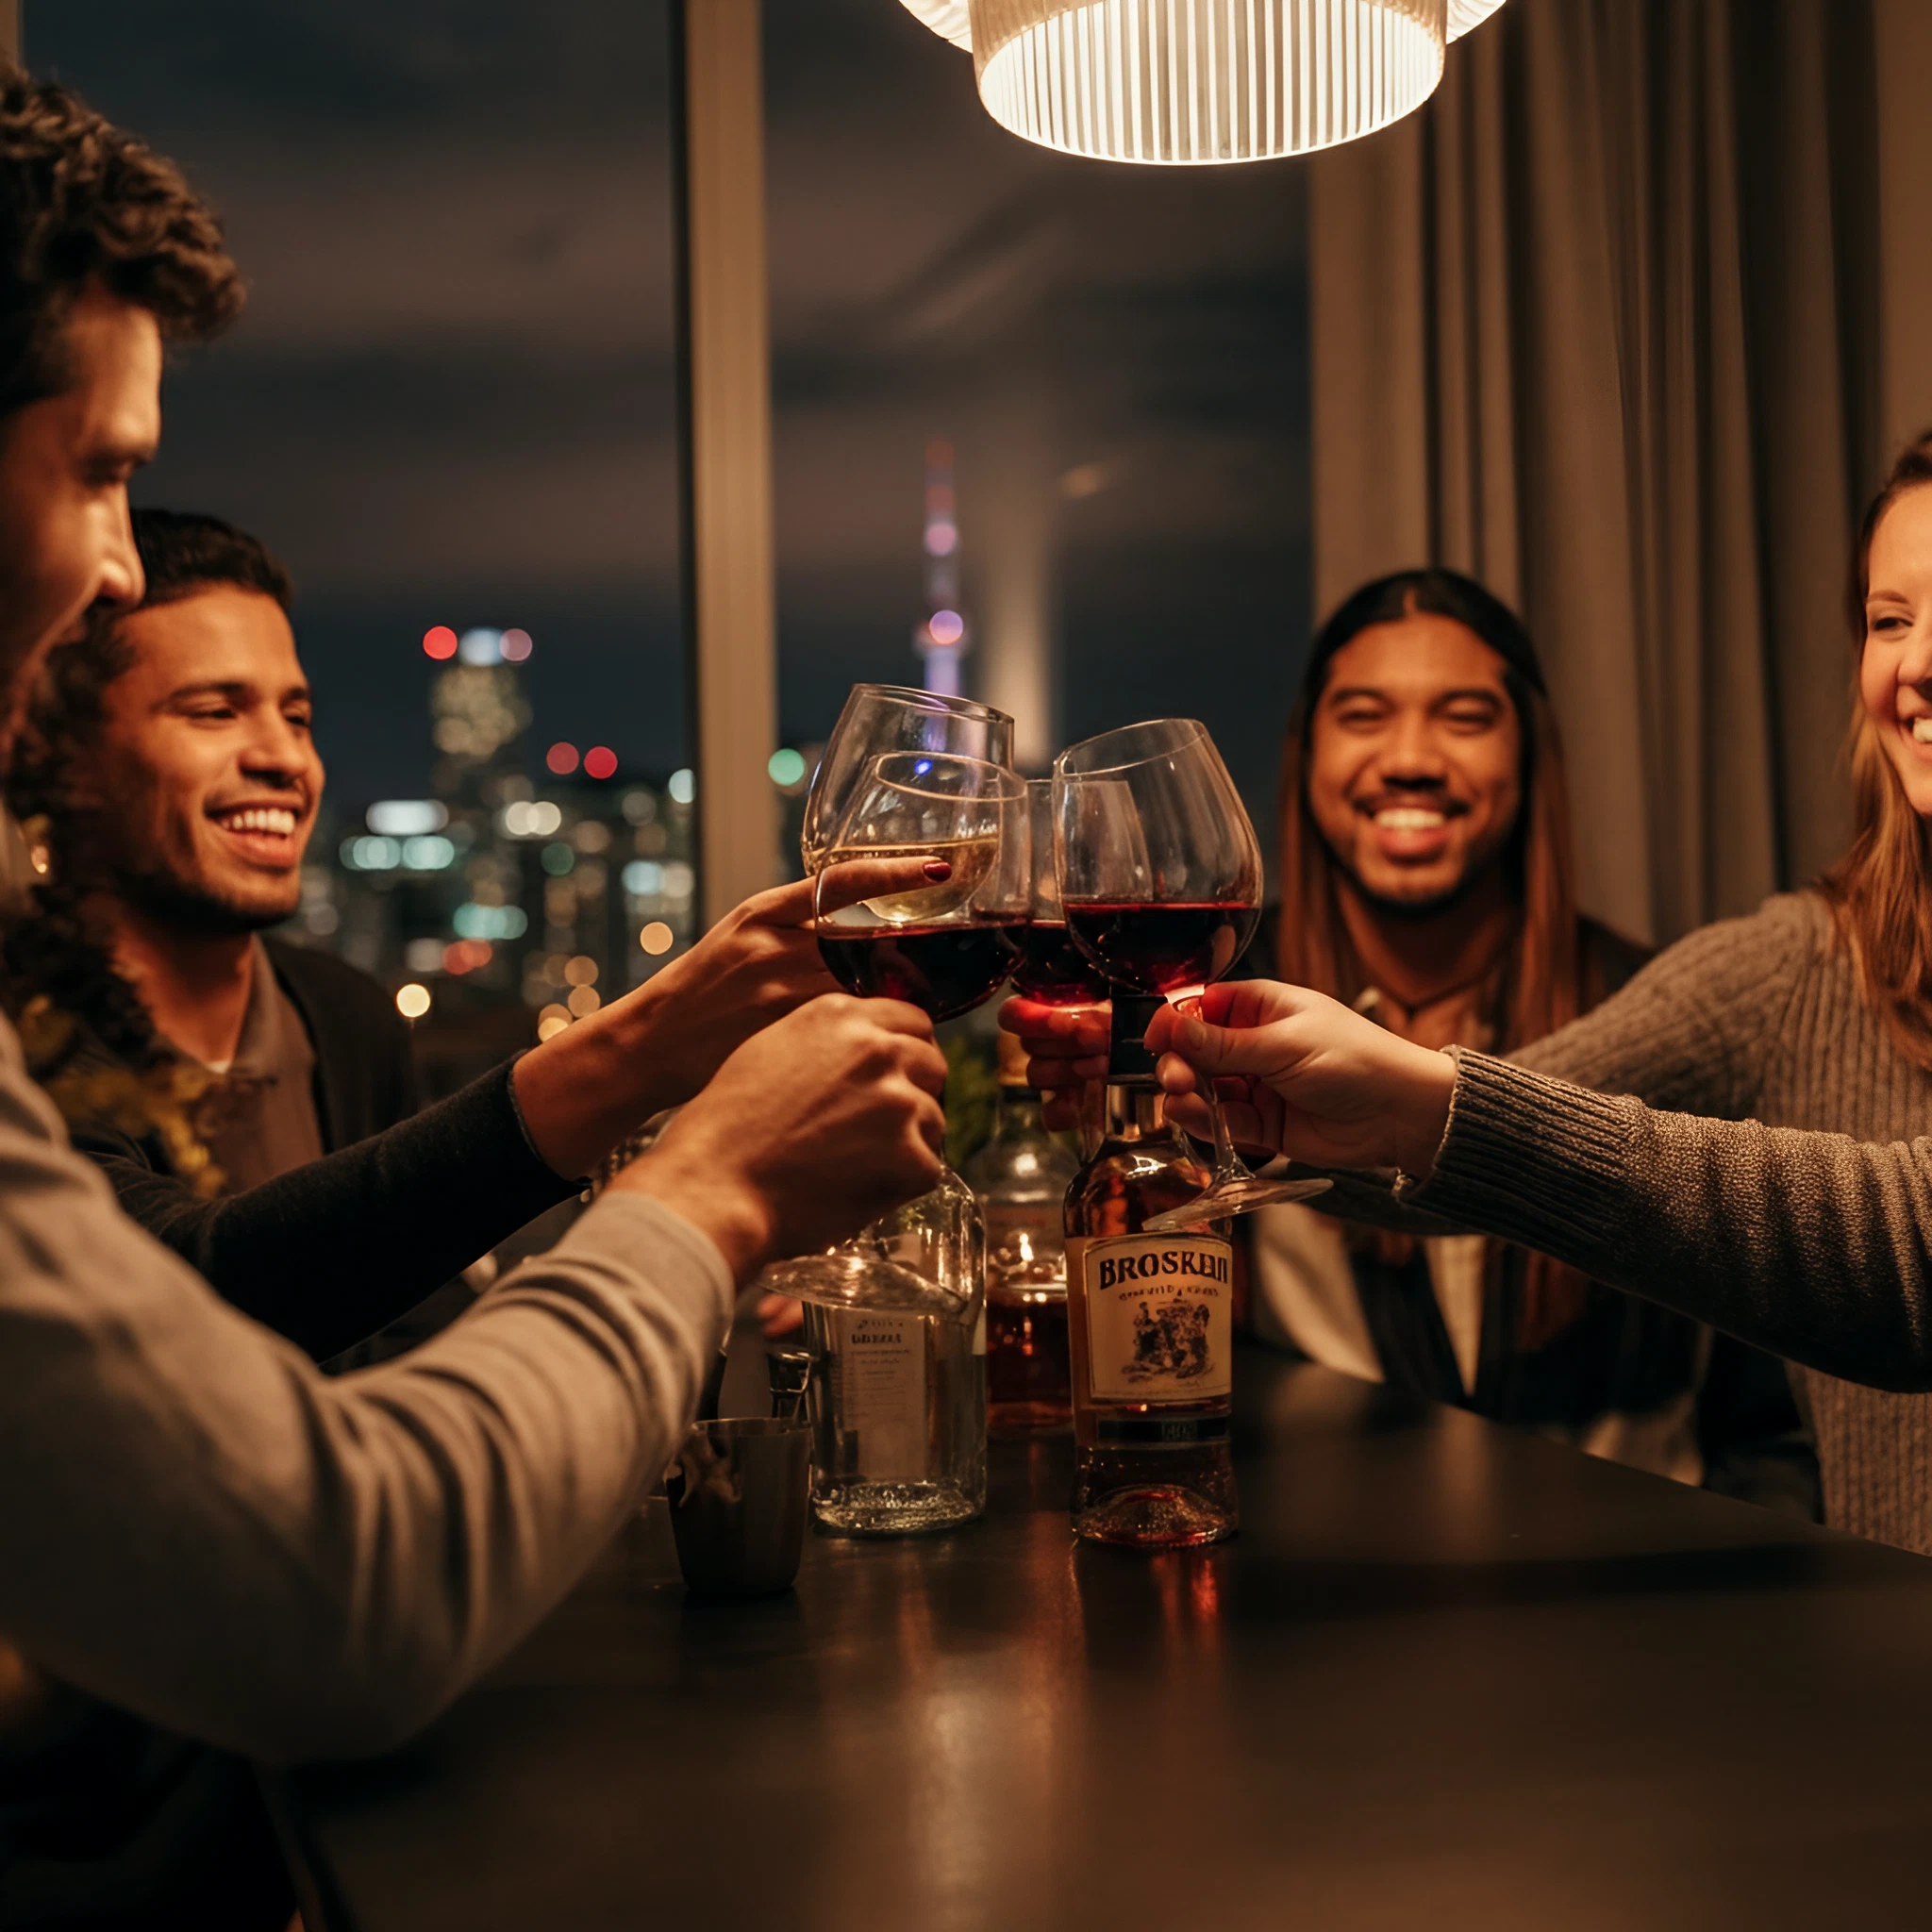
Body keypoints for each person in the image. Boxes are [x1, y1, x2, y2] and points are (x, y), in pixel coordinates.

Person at [0, 63, 945, 1930]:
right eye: (102, 468)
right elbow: (318, 1567)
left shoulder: (342, 1017)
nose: (114, 552)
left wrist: (650, 1047)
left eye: (297, 713)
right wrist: (700, 1194)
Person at [1119, 430, 1932, 1559]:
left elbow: (1899, 1249)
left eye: (1461, 715)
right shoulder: (1791, 963)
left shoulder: (1638, 978)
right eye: (1888, 620)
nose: (1917, 662)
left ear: (1528, 756)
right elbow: (1447, 1165)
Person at [0, 507, 892, 1364]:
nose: (284, 757)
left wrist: (718, 1283)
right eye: (213, 712)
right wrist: (649, 1060)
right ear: (59, 751)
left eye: (297, 716)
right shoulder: (23, 1040)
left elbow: (423, 1337)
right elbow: (193, 1294)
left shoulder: (339, 1015)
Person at [1241, 570, 1807, 1495]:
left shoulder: (1664, 1017)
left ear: (1529, 752)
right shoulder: (1224, 1017)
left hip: (1627, 1603)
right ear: (1305, 752)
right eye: (1362, 714)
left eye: (1462, 716)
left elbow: (1771, 1423)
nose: (1409, 757)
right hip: (1330, 1601)